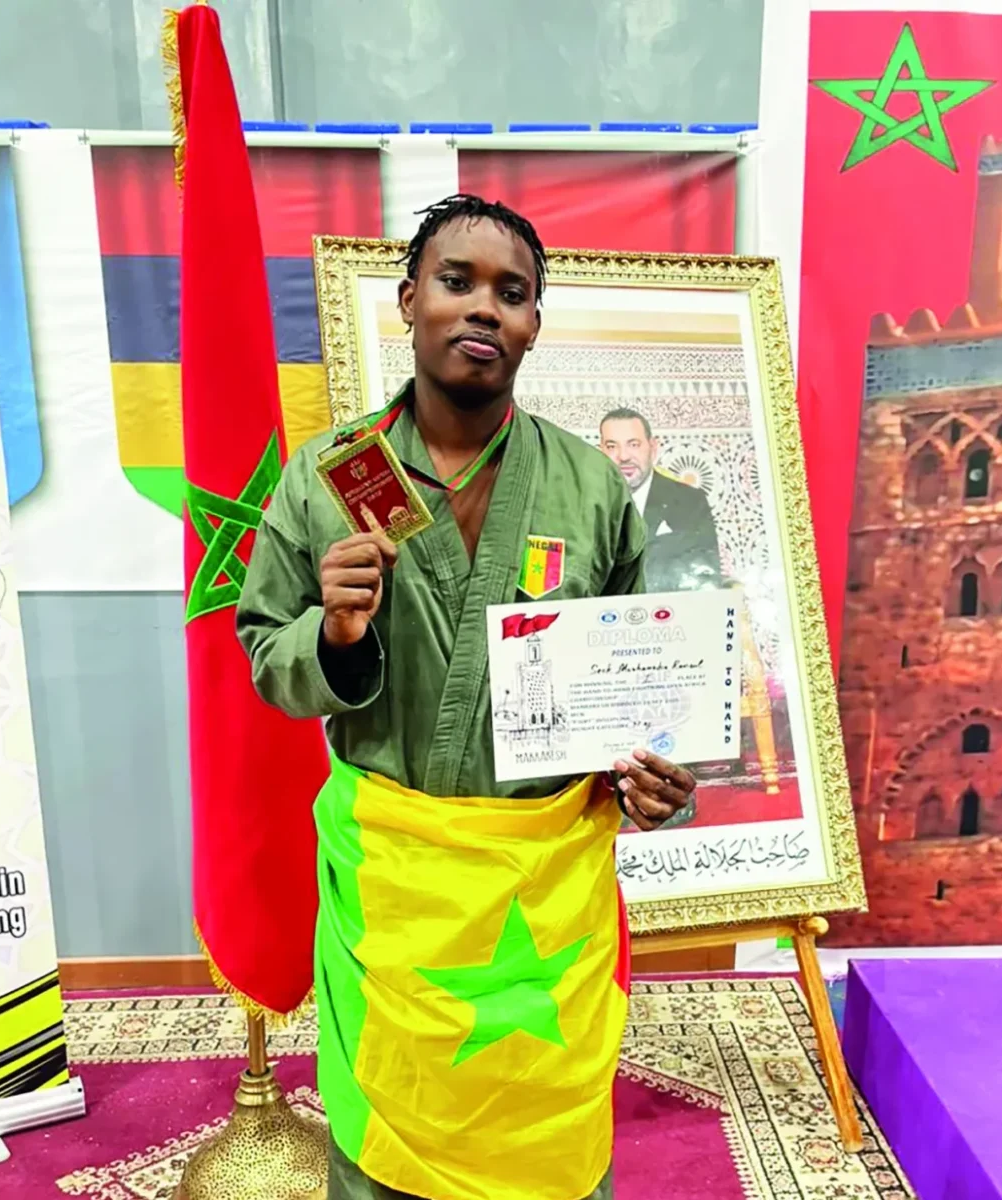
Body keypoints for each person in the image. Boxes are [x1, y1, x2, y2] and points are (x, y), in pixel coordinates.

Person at [236, 195, 697, 1200]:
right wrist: (335, 636)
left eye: (512, 292)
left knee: (548, 1132)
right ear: (408, 299)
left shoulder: (584, 484)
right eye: (456, 281)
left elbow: (639, 679)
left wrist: (653, 778)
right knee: (388, 1131)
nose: (482, 308)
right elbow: (265, 650)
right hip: (397, 880)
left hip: (544, 883)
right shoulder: (327, 478)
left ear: (536, 323)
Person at [598, 408, 722, 592]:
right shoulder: (586, 504)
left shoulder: (690, 502)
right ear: (600, 452)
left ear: (653, 448)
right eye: (611, 446)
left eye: (633, 444)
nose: (623, 456)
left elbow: (704, 579)